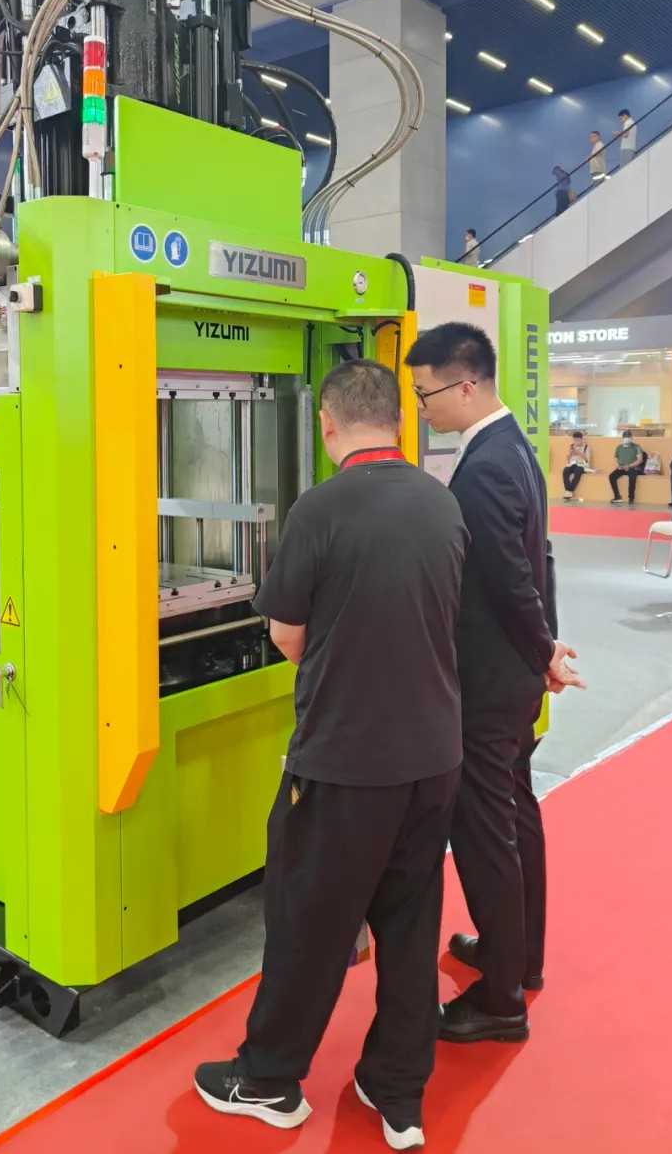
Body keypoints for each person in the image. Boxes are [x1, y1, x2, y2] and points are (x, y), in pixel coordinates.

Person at [195, 359, 468, 1149]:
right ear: (398, 420)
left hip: (345, 762)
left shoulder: (319, 508)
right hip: (433, 756)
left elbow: (286, 633)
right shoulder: (442, 503)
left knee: (307, 922)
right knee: (410, 925)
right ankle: (398, 1091)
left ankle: (269, 1079)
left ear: (326, 425)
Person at [405, 324, 583, 1044]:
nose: (421, 408)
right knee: (515, 813)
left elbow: (511, 577)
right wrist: (544, 649)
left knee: (483, 831)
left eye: (425, 394)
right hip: (512, 676)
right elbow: (539, 560)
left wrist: (543, 651)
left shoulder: (484, 467)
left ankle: (502, 999)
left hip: (487, 682)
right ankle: (518, 954)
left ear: (466, 384)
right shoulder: (512, 447)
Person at [609, 431, 647, 504]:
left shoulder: (637, 447)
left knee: (632, 477)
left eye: (628, 437)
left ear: (631, 438)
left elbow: (640, 460)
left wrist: (629, 466)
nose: (627, 439)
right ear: (623, 438)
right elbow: (616, 458)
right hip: (622, 467)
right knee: (611, 476)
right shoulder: (619, 447)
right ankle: (617, 496)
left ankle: (631, 498)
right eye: (625, 437)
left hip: (632, 467)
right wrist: (619, 466)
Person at [562, 431, 590, 500]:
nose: (576, 441)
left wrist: (579, 453)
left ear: (582, 439)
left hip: (582, 465)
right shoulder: (572, 446)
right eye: (575, 440)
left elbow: (587, 459)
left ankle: (569, 490)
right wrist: (570, 454)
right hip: (572, 464)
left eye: (578, 440)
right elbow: (568, 460)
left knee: (578, 470)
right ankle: (568, 491)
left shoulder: (586, 447)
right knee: (565, 470)